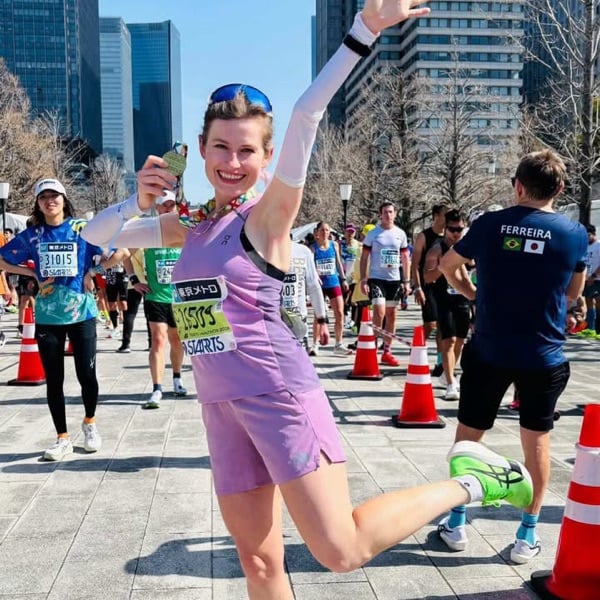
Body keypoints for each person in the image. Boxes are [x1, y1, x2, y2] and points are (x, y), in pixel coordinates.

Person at [81, 3, 534, 596]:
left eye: (247, 150)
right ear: (201, 149)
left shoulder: (267, 218)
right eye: (221, 147)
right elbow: (96, 236)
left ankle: (473, 481)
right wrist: (135, 202)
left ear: (267, 157)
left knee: (340, 549)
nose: (233, 162)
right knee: (259, 563)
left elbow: (306, 113)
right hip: (220, 406)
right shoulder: (187, 224)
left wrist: (363, 32)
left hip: (279, 396)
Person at [438, 149, 588, 564]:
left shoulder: (490, 224)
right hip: (543, 353)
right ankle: (527, 534)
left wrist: (473, 293)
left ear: (518, 186)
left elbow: (448, 265)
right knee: (537, 441)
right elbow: (574, 293)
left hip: (490, 349)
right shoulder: (574, 233)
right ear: (559, 188)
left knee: (468, 438)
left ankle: (457, 522)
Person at [0, 178, 123, 460]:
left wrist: (93, 272)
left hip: (82, 314)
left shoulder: (82, 229)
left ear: (64, 200)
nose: (49, 201)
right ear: (38, 203)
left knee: (87, 375)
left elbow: (121, 251)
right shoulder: (33, 235)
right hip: (48, 316)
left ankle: (90, 423)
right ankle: (62, 437)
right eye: (43, 197)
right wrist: (33, 273)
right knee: (54, 380)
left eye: (54, 195)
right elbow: (2, 259)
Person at [128, 190, 187, 408]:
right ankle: (157, 387)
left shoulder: (184, 229)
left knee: (177, 340)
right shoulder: (148, 231)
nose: (168, 209)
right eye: (164, 205)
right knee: (158, 340)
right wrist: (134, 280)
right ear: (157, 208)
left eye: (171, 205)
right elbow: (125, 253)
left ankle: (177, 378)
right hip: (155, 296)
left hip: (180, 297)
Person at [423, 210, 471, 400]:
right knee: (448, 340)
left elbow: (473, 270)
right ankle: (451, 383)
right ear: (445, 228)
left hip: (463, 298)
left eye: (460, 229)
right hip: (443, 298)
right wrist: (443, 267)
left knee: (460, 341)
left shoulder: (467, 248)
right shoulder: (436, 250)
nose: (456, 233)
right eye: (452, 229)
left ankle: (447, 372)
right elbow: (427, 277)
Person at [359, 201, 411, 366]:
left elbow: (405, 259)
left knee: (391, 315)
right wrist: (364, 279)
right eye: (385, 212)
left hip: (394, 279)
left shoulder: (400, 234)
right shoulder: (373, 234)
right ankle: (372, 347)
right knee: (379, 312)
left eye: (391, 212)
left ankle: (387, 350)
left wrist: (407, 281)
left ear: (395, 214)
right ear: (380, 215)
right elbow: (364, 258)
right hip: (377, 278)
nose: (388, 215)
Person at [411, 204, 448, 375]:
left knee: (443, 325)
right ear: (435, 216)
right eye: (444, 215)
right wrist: (417, 287)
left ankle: (440, 363)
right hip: (428, 285)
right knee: (431, 323)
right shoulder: (424, 236)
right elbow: (415, 264)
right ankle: (417, 347)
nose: (447, 219)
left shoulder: (449, 236)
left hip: (445, 286)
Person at [309, 221, 352, 356]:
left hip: (333, 282)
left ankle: (338, 344)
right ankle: (315, 344)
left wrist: (343, 279)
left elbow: (338, 263)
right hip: (320, 285)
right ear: (317, 233)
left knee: (339, 313)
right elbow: (310, 266)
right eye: (322, 230)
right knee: (319, 315)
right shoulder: (313, 248)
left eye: (327, 230)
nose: (325, 232)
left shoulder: (334, 245)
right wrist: (315, 275)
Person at [281, 240, 329, 351]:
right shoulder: (260, 250)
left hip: (299, 324)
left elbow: (314, 286)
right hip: (272, 325)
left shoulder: (303, 251)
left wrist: (322, 322)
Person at [582, 224, 600, 333]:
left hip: (597, 279)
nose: (587, 238)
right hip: (586, 279)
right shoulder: (585, 246)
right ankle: (590, 328)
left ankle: (598, 329)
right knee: (588, 302)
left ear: (593, 234)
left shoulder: (598, 245)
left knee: (598, 302)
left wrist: (593, 276)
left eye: (588, 235)